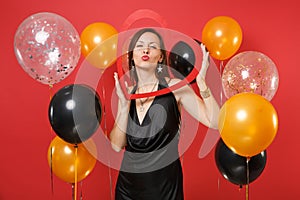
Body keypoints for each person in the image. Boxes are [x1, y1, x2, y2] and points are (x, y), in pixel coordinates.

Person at [110, 28, 220, 200]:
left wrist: (202, 83)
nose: (145, 50)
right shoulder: (126, 92)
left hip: (165, 188)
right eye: (139, 46)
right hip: (127, 189)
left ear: (161, 57)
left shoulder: (176, 87)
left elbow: (214, 122)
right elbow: (117, 145)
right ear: (132, 56)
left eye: (152, 46)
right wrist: (124, 108)